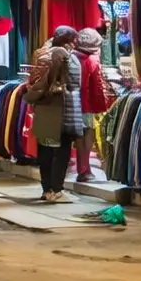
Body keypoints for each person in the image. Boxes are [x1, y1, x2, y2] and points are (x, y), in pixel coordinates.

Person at [28, 27, 83, 203]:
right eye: (73, 40)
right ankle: (57, 190)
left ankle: (46, 190)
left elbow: (32, 80)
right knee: (62, 150)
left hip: (43, 107)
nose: (75, 44)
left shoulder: (40, 55)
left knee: (44, 149)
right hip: (61, 109)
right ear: (68, 41)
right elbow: (74, 83)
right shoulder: (67, 57)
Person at [73, 28, 112, 182]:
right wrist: (101, 106)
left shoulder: (71, 57)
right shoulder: (92, 61)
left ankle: (81, 169)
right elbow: (96, 87)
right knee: (86, 135)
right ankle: (84, 170)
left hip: (70, 103)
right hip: (85, 105)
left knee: (77, 137)